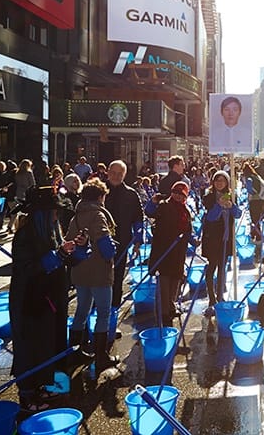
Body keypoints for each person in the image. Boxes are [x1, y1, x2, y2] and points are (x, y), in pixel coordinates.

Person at [10, 186, 81, 411]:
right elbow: (28, 269)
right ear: (41, 213)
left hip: (52, 299)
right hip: (32, 302)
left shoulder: (51, 231)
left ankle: (51, 388)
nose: (56, 215)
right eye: (52, 211)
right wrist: (56, 256)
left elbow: (60, 261)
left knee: (52, 345)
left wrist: (75, 250)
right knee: (32, 348)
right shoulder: (26, 235)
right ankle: (29, 397)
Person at [63, 179, 120, 374]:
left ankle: (75, 351)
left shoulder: (76, 216)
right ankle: (101, 355)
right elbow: (104, 242)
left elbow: (69, 240)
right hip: (99, 272)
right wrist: (112, 249)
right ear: (99, 197)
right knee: (103, 313)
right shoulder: (98, 215)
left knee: (82, 310)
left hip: (80, 271)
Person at [145, 180, 192, 325]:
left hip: (178, 252)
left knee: (176, 280)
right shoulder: (164, 205)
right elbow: (149, 212)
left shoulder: (185, 210)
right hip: (164, 249)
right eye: (175, 192)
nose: (178, 196)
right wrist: (152, 202)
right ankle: (163, 312)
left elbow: (188, 230)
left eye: (181, 194)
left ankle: (171, 306)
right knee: (164, 281)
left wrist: (193, 239)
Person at [104, 160, 145, 324]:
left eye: (119, 174)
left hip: (122, 243)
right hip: (98, 245)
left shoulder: (131, 194)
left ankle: (112, 315)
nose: (115, 176)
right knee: (99, 281)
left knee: (117, 279)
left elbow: (138, 217)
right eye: (113, 173)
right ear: (107, 172)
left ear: (124, 175)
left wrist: (138, 238)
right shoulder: (98, 190)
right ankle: (96, 318)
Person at [200, 171, 241, 315]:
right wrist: (219, 205)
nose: (220, 183)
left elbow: (238, 214)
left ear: (227, 183)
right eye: (217, 180)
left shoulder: (231, 195)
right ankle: (211, 298)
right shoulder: (208, 197)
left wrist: (231, 206)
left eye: (223, 181)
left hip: (226, 239)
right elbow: (210, 218)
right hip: (212, 238)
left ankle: (220, 296)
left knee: (222, 268)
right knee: (212, 267)